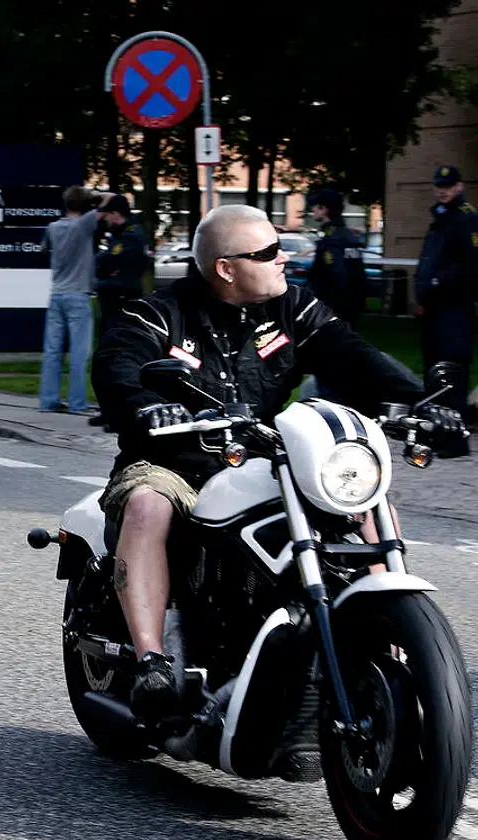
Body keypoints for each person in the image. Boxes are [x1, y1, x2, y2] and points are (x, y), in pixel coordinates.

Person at [90, 204, 463, 717]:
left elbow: (357, 360)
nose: (283, 258)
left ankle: (397, 642)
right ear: (226, 267)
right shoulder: (157, 313)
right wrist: (146, 405)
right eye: (267, 252)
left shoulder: (295, 309)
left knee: (369, 505)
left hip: (261, 461)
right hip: (174, 462)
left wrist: (422, 404)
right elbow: (118, 367)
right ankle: (154, 661)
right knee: (148, 506)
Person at [415, 164, 478, 451]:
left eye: (448, 185)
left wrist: (438, 282)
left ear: (459, 187)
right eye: (439, 185)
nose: (443, 190)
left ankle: (454, 440)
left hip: (454, 310)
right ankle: (439, 432)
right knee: (435, 372)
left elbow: (470, 264)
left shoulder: (466, 220)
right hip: (435, 311)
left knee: (451, 371)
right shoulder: (439, 219)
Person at [39, 186, 112, 415]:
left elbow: (43, 249)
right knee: (79, 353)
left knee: (52, 351)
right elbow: (110, 200)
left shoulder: (52, 227)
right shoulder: (84, 224)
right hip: (79, 295)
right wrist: (93, 196)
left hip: (56, 293)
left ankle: (48, 401)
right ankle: (77, 403)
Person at [305, 188, 367, 326]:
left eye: (315, 207)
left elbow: (335, 274)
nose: (312, 210)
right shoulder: (348, 236)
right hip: (350, 305)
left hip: (333, 308)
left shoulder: (332, 238)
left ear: (324, 209)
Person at [94, 194, 149, 339]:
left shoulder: (130, 235)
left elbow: (107, 261)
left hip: (121, 297)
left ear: (115, 214)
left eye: (107, 215)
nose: (105, 219)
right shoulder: (120, 234)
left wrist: (105, 266)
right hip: (114, 296)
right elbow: (103, 264)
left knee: (116, 338)